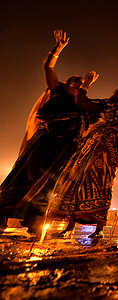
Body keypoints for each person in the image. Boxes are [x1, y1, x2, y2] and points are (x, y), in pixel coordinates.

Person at [49, 71, 118, 239]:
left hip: (110, 149)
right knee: (79, 178)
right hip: (91, 143)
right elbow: (80, 101)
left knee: (103, 182)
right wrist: (87, 84)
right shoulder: (105, 105)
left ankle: (99, 229)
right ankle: (69, 227)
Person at [0, 30, 87, 235]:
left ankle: (35, 222)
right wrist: (58, 49)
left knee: (50, 183)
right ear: (67, 83)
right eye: (74, 81)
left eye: (81, 83)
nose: (77, 83)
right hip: (44, 142)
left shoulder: (83, 103)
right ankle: (1, 215)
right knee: (22, 177)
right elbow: (48, 67)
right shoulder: (57, 90)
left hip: (64, 148)